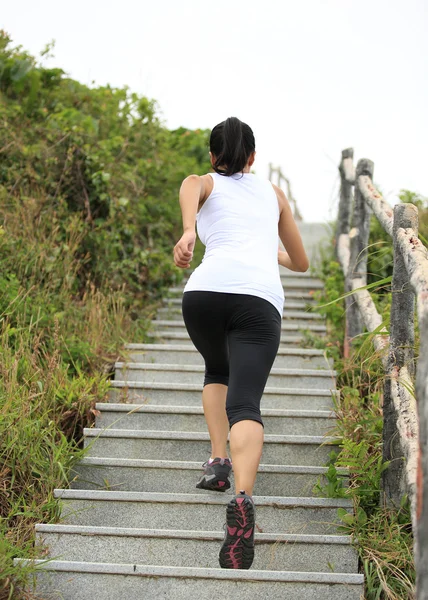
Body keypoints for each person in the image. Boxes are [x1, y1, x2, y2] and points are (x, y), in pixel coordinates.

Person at [173, 116, 309, 570]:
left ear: (214, 156)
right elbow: (302, 262)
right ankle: (243, 501)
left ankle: (217, 462)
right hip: (257, 302)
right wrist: (263, 249)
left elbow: (192, 183)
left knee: (217, 368)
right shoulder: (274, 194)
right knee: (245, 403)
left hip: (205, 294)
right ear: (253, 158)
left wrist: (190, 231)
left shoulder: (206, 181)